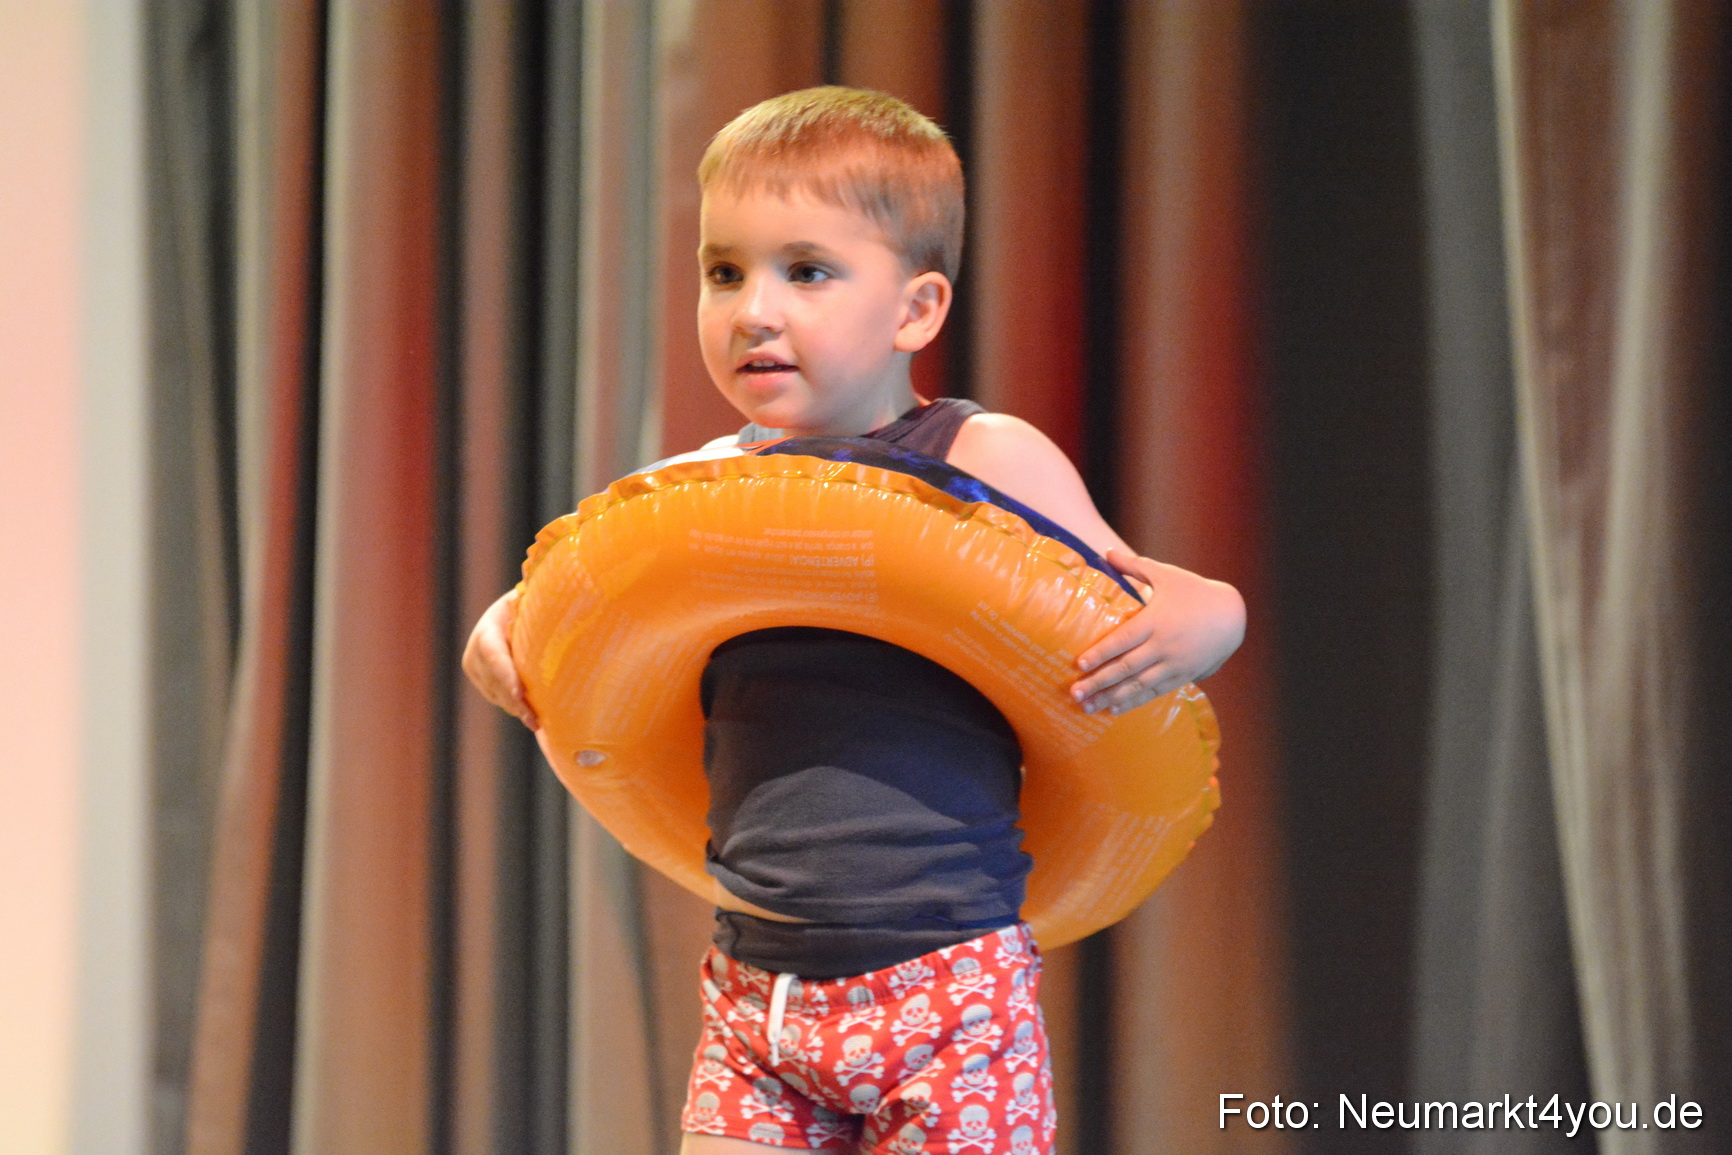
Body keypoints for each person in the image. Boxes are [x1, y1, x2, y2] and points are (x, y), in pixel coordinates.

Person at [463, 87, 1244, 1155]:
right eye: (723, 271)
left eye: (808, 271)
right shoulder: (689, 492)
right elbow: (568, 601)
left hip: (949, 994)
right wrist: (500, 628)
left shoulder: (980, 457)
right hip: (758, 996)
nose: (754, 310)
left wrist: (1216, 613)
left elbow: (1138, 591)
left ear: (916, 310)